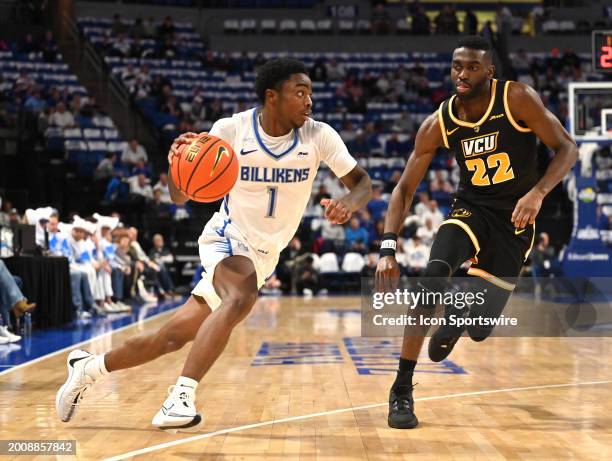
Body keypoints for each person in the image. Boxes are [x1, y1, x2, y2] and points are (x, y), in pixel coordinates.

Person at [56, 58, 372, 431]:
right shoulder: (233, 129)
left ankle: (87, 368)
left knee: (169, 338)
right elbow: (179, 196)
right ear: (272, 97)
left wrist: (347, 205)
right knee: (240, 298)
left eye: (310, 94)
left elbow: (362, 183)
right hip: (227, 237)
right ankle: (180, 397)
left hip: (266, 254)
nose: (309, 102)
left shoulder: (319, 136)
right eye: (300, 93)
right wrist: (178, 164)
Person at [375, 36, 578, 429]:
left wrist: (537, 193)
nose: (462, 74)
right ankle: (401, 388)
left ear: (490, 71)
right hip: (470, 210)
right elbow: (403, 188)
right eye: (456, 66)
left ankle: (460, 312)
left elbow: (567, 148)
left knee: (482, 330)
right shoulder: (441, 120)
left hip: (516, 221)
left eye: (471, 67)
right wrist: (387, 247)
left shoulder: (517, 99)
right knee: (432, 277)